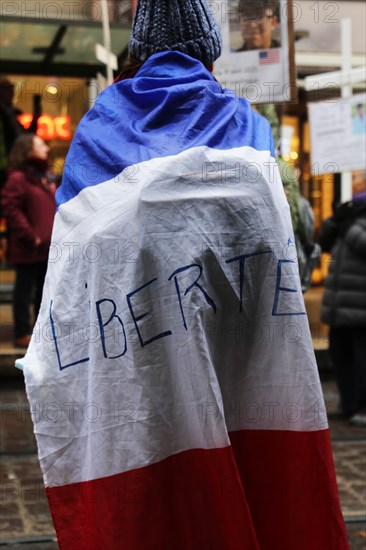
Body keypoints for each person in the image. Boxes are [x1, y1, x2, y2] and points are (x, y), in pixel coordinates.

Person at [19, 1, 348, 549]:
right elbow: (273, 232)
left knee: (160, 503)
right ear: (209, 52)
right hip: (239, 338)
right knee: (250, 482)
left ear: (139, 52)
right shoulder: (245, 122)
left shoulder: (102, 125)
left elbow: (75, 247)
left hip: (139, 349)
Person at [1, 134, 56, 348]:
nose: (45, 147)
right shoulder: (18, 178)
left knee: (44, 290)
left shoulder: (44, 176)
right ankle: (21, 333)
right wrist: (30, 236)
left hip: (46, 247)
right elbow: (10, 208)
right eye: (40, 144)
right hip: (29, 247)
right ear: (28, 150)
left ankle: (40, 332)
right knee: (24, 290)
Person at [319, 196, 366, 427]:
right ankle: (348, 405)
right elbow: (324, 243)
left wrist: (349, 227)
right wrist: (335, 221)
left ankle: (362, 407)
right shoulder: (347, 222)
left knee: (361, 361)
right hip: (340, 307)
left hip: (360, 308)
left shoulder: (355, 225)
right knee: (342, 359)